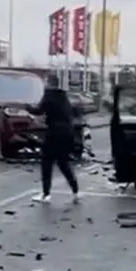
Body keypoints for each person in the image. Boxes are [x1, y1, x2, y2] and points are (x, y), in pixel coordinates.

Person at [31, 74, 80, 203]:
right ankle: (75, 189)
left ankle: (46, 194)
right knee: (63, 162)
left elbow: (39, 110)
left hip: (54, 132)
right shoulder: (63, 96)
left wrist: (27, 107)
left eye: (46, 81)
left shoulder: (49, 95)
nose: (45, 84)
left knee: (46, 161)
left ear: (50, 83)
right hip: (67, 132)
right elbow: (73, 112)